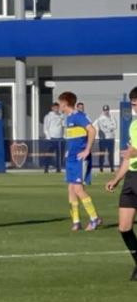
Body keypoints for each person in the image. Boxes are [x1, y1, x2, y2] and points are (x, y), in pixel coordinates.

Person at [105, 87, 137, 281]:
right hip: (131, 178)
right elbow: (129, 156)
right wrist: (116, 179)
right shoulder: (134, 125)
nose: (134, 107)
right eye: (133, 104)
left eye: (136, 103)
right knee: (124, 227)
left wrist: (133, 152)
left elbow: (133, 152)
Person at [58, 92, 101, 231]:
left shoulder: (79, 116)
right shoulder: (69, 118)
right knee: (71, 188)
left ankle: (95, 218)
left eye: (60, 103)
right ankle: (76, 221)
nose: (59, 106)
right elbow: (74, 138)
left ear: (65, 103)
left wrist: (88, 149)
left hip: (79, 158)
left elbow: (92, 131)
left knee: (78, 188)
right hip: (71, 158)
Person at [94, 104, 117, 172]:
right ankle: (101, 168)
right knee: (102, 154)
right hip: (103, 139)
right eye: (105, 110)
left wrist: (108, 127)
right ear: (103, 111)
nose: (106, 111)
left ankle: (112, 168)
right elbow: (102, 129)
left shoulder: (112, 117)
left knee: (111, 154)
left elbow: (115, 126)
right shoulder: (100, 118)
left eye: (107, 110)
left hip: (111, 138)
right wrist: (110, 127)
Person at [43, 103, 64, 174]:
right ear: (52, 108)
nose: (56, 109)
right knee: (49, 154)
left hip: (60, 138)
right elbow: (45, 128)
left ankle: (58, 169)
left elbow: (64, 126)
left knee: (60, 155)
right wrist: (49, 137)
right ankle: (46, 168)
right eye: (55, 107)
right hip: (51, 138)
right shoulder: (48, 116)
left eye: (57, 107)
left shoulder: (61, 116)